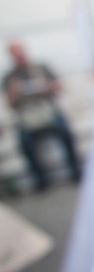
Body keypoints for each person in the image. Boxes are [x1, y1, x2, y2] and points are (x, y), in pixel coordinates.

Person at [2, 41, 81, 190]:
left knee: (64, 129)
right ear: (11, 56)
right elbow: (10, 104)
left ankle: (75, 171)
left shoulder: (41, 68)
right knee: (24, 140)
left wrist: (45, 86)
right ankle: (40, 180)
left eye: (21, 52)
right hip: (27, 118)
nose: (20, 56)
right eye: (16, 54)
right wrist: (15, 91)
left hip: (47, 113)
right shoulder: (10, 77)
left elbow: (60, 87)